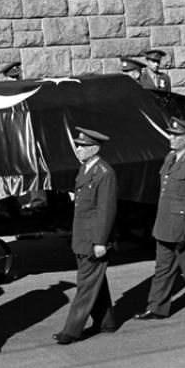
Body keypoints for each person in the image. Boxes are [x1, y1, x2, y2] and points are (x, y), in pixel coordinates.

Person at [136, 118, 185, 320]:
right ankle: (156, 307)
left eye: (176, 135)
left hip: (183, 227)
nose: (171, 137)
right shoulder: (170, 158)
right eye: (171, 133)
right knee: (162, 269)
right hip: (165, 224)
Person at [55, 128, 118, 344]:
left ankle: (71, 330)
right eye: (78, 145)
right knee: (94, 281)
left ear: (94, 148)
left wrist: (101, 241)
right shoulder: (85, 169)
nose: (78, 149)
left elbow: (106, 210)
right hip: (82, 236)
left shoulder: (104, 172)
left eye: (82, 146)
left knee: (85, 284)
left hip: (93, 238)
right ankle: (107, 322)